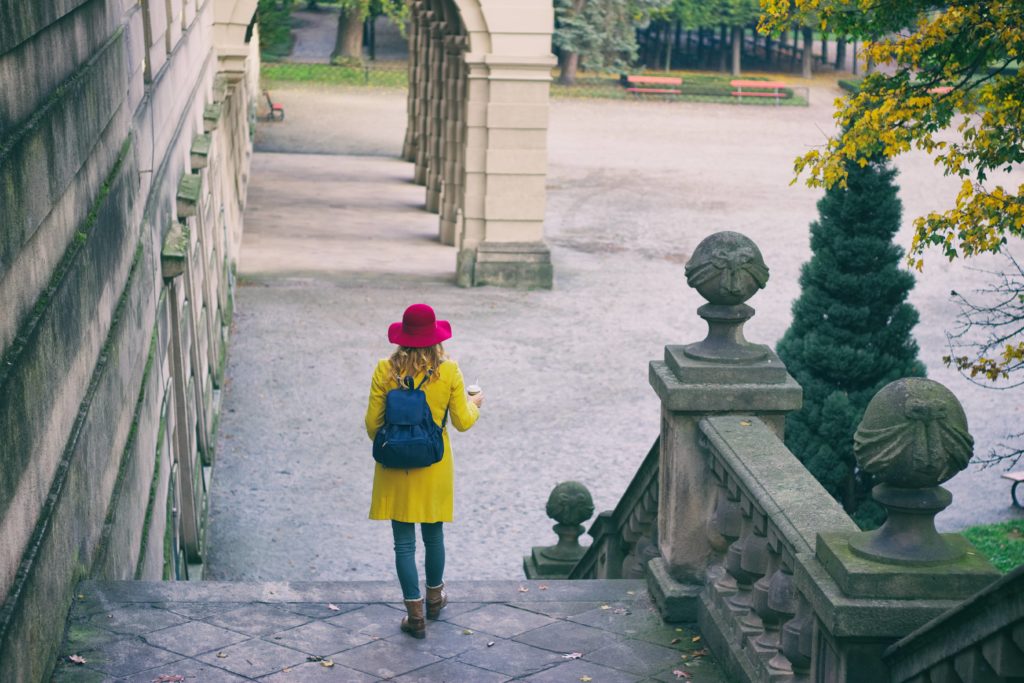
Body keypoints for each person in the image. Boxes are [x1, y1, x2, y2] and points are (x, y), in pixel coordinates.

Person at [364, 303, 484, 639]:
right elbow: (461, 422)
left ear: (402, 338)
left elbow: (372, 426)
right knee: (434, 536)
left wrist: (398, 437)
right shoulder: (449, 372)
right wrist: (476, 404)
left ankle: (414, 615)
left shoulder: (383, 370)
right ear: (435, 340)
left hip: (395, 466)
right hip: (434, 464)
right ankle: (435, 598)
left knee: (403, 545)